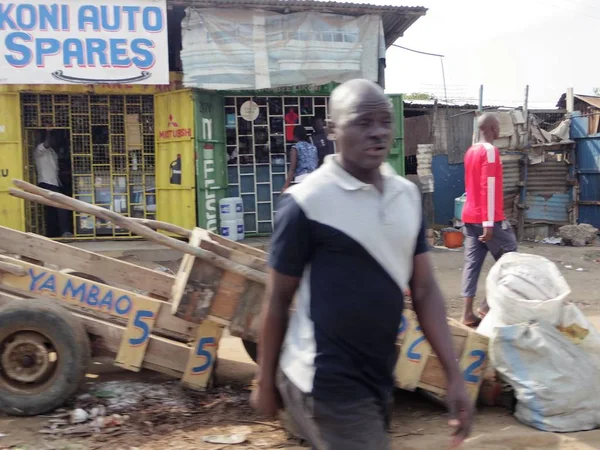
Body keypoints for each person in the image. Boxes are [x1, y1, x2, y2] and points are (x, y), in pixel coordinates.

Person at [252, 79, 472, 450]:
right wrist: (264, 379)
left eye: (385, 122)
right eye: (363, 122)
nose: (378, 133)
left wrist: (454, 375)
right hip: (322, 380)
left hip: (378, 377)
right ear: (333, 129)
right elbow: (276, 300)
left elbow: (424, 289)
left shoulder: (406, 196)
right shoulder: (306, 202)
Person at [461, 113, 518, 327]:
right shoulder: (490, 151)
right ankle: (486, 306)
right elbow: (489, 187)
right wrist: (488, 223)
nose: (500, 131)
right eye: (499, 126)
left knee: (472, 264)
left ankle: (467, 314)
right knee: (512, 261)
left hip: (469, 216)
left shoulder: (470, 151)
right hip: (489, 219)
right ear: (493, 128)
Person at [34, 131, 71, 238]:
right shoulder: (40, 150)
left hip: (53, 184)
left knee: (51, 211)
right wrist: (48, 132)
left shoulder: (52, 152)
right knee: (63, 206)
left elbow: (56, 170)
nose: (55, 141)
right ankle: (65, 232)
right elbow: (45, 144)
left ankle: (52, 234)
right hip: (46, 184)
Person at [282, 125, 318, 192]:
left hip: (301, 180)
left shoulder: (295, 148)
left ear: (295, 136)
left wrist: (285, 186)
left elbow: (292, 168)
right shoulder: (313, 148)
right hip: (313, 179)